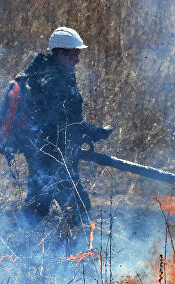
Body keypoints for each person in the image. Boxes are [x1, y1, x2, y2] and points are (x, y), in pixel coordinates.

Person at [17, 27, 112, 227]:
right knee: (58, 205)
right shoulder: (52, 80)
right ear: (61, 53)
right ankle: (19, 244)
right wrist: (91, 130)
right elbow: (59, 120)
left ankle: (26, 240)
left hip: (57, 149)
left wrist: (83, 133)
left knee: (45, 203)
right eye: (74, 54)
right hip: (49, 152)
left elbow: (67, 116)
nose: (77, 59)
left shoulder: (62, 74)